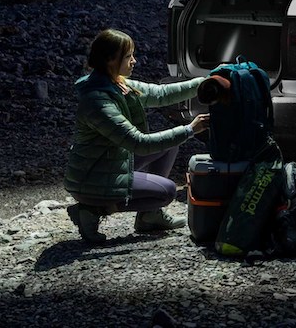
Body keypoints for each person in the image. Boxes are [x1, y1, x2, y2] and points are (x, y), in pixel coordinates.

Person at [64, 28, 210, 243]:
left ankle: (149, 216)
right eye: (128, 56)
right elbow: (138, 143)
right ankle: (93, 209)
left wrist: (206, 81)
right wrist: (190, 129)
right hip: (91, 178)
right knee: (167, 192)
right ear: (110, 59)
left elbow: (160, 94)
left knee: (169, 145)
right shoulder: (98, 101)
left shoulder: (118, 83)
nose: (134, 61)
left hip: (107, 163)